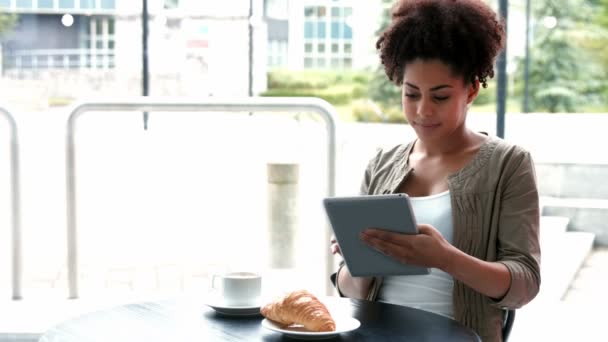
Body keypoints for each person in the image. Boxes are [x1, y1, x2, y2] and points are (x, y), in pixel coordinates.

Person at [330, 1, 541, 341]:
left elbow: (525, 284)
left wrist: (446, 259)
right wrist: (358, 261)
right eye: (411, 94)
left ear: (471, 90)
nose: (423, 110)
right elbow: (350, 292)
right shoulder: (382, 165)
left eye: (440, 97)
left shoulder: (508, 164)